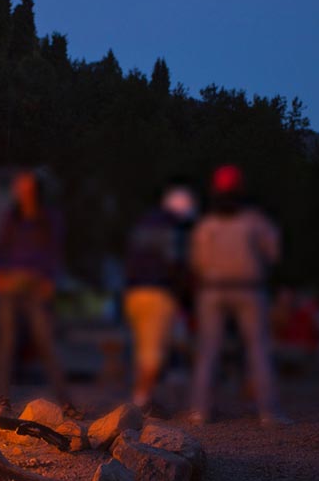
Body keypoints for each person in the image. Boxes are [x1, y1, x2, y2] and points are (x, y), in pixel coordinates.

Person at [190, 165, 289, 426]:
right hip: (249, 288)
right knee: (258, 349)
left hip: (213, 289)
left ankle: (200, 411)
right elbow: (273, 254)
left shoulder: (207, 225)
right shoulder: (255, 221)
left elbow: (198, 261)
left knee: (208, 350)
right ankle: (269, 413)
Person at [0, 171, 75, 415]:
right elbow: (0, 247)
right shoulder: (12, 218)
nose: (23, 193)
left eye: (28, 188)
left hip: (37, 282)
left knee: (44, 340)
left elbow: (55, 249)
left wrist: (50, 278)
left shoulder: (49, 218)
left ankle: (65, 400)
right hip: (11, 282)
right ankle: (2, 398)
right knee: (7, 341)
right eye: (20, 188)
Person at [124, 183, 197, 415]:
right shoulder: (172, 229)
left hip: (134, 293)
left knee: (146, 349)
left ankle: (146, 397)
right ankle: (140, 402)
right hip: (158, 294)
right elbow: (175, 265)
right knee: (153, 354)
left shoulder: (143, 225)